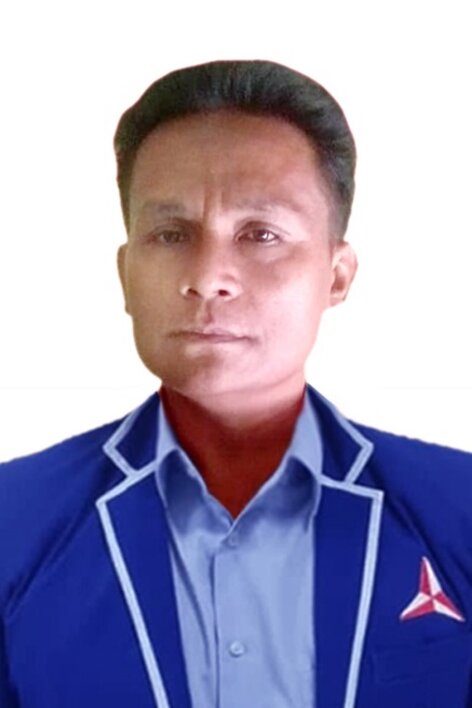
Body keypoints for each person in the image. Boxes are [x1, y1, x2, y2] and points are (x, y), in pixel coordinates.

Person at [0, 60, 471, 708]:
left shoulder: (457, 511)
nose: (207, 277)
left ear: (337, 276)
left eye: (260, 234)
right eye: (171, 234)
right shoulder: (15, 522)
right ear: (126, 274)